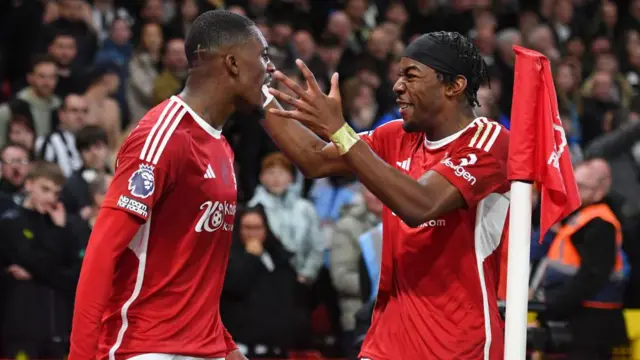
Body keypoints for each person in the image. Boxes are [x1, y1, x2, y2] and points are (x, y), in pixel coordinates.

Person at [262, 31, 509, 359]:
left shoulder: (489, 141)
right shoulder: (395, 136)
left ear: (454, 85)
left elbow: (422, 205)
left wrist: (340, 131)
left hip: (460, 345)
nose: (397, 86)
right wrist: (257, 93)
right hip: (387, 341)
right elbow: (313, 158)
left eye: (411, 76)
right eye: (398, 76)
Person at [69, 10, 274, 360]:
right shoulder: (162, 136)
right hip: (144, 346)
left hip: (202, 346)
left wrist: (223, 345)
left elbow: (191, 276)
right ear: (233, 62)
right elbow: (101, 254)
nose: (270, 68)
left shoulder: (221, 146)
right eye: (263, 55)